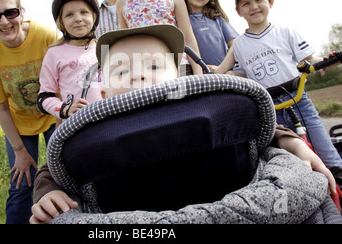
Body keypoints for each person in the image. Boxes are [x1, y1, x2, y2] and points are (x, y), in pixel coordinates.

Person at [29, 25, 337, 224]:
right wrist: (45, 192)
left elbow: (250, 125)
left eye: (153, 66)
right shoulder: (92, 127)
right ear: (105, 91)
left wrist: (292, 142)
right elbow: (55, 163)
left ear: (179, 78)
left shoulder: (204, 104)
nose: (138, 75)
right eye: (122, 71)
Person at [216, 0, 342, 173]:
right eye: (246, 3)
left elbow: (309, 60)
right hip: (269, 108)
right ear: (238, 11)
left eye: (259, 0)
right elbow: (239, 73)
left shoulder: (285, 32)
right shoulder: (239, 45)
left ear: (271, 2)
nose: (254, 6)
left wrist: (325, 61)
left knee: (326, 153)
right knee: (292, 160)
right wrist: (224, 74)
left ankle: (336, 178)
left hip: (299, 100)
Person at [0, 0, 57, 224]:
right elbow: (0, 108)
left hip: (54, 115)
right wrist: (20, 151)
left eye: (11, 12)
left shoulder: (45, 36)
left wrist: (62, 135)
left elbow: (63, 87)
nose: (4, 21)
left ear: (21, 12)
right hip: (19, 121)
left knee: (65, 176)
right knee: (21, 184)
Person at [36, 0, 102, 126]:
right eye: (69, 14)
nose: (78, 18)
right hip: (79, 128)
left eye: (84, 12)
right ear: (61, 22)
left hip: (111, 124)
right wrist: (65, 109)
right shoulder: (54, 53)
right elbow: (44, 97)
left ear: (94, 16)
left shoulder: (106, 48)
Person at [179, 0, 239, 68]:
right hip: (193, 75)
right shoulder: (179, 19)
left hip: (221, 75)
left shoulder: (217, 18)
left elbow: (235, 45)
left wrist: (222, 68)